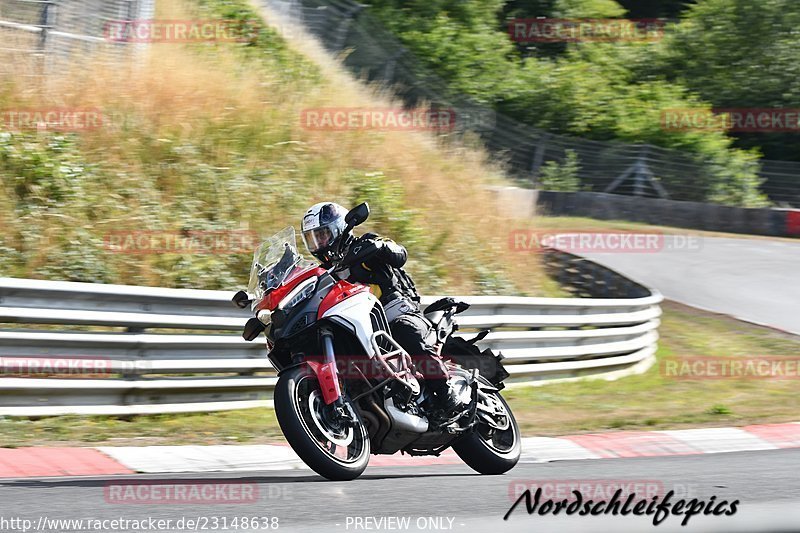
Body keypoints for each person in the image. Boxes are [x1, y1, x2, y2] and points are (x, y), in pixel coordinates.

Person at [300, 201, 460, 417]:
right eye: (313, 238)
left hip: (392, 307)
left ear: (338, 229)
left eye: (322, 235)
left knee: (406, 333)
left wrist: (381, 247)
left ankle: (446, 394)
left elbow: (400, 254)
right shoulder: (324, 271)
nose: (318, 243)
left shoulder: (365, 243)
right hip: (357, 320)